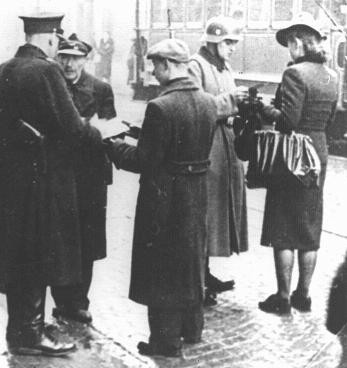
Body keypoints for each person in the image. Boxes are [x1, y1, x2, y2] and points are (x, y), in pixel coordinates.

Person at [0, 13, 103, 356]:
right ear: (49, 38)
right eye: (57, 39)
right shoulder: (46, 71)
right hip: (43, 183)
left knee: (19, 255)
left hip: (12, 184)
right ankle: (28, 334)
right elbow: (73, 129)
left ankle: (24, 325)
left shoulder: (3, 70)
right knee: (37, 257)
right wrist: (100, 134)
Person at [106, 39, 217, 358]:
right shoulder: (207, 101)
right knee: (190, 260)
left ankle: (165, 342)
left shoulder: (159, 106)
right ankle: (192, 330)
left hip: (164, 197)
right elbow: (185, 145)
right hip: (195, 193)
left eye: (155, 65)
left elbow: (144, 161)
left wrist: (111, 144)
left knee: (163, 266)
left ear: (168, 65)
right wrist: (142, 134)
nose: (153, 72)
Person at [257, 12, 337, 314]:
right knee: (309, 226)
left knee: (284, 227)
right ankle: (304, 295)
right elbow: (329, 120)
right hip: (319, 151)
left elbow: (288, 122)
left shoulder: (295, 74)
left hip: (293, 155)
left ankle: (283, 297)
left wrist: (266, 110)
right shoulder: (333, 76)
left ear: (298, 43)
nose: (289, 50)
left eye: (290, 44)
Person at [51, 33, 117, 323]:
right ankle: (61, 299)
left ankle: (79, 300)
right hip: (59, 173)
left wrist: (87, 129)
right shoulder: (50, 85)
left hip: (90, 175)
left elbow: (110, 129)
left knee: (87, 239)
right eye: (64, 57)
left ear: (84, 60)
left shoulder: (101, 88)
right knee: (60, 236)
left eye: (75, 58)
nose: (68, 64)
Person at [188, 16, 249, 306]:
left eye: (234, 42)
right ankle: (196, 278)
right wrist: (230, 101)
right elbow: (195, 107)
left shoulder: (222, 67)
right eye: (228, 42)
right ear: (212, 41)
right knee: (205, 214)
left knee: (217, 214)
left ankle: (204, 272)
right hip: (207, 148)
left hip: (225, 148)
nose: (232, 47)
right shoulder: (195, 66)